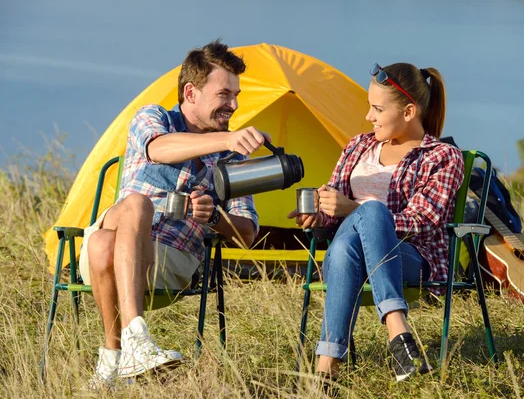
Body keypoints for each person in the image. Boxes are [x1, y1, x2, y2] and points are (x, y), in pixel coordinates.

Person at [79, 40, 269, 390]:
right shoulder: (154, 118)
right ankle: (136, 339)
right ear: (191, 92)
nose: (234, 104)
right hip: (111, 250)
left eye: (237, 95)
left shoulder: (234, 161)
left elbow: (247, 234)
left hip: (170, 260)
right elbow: (159, 149)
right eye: (225, 94)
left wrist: (212, 218)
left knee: (104, 243)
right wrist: (225, 140)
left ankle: (111, 356)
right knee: (136, 205)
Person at [288, 62, 464, 383]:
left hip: (409, 260)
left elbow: (423, 222)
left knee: (370, 214)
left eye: (377, 109)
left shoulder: (442, 157)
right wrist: (320, 213)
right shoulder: (357, 146)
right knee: (349, 240)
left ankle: (325, 372)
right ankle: (399, 334)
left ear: (409, 111)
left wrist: (356, 209)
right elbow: (335, 209)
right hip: (347, 257)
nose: (369, 116)